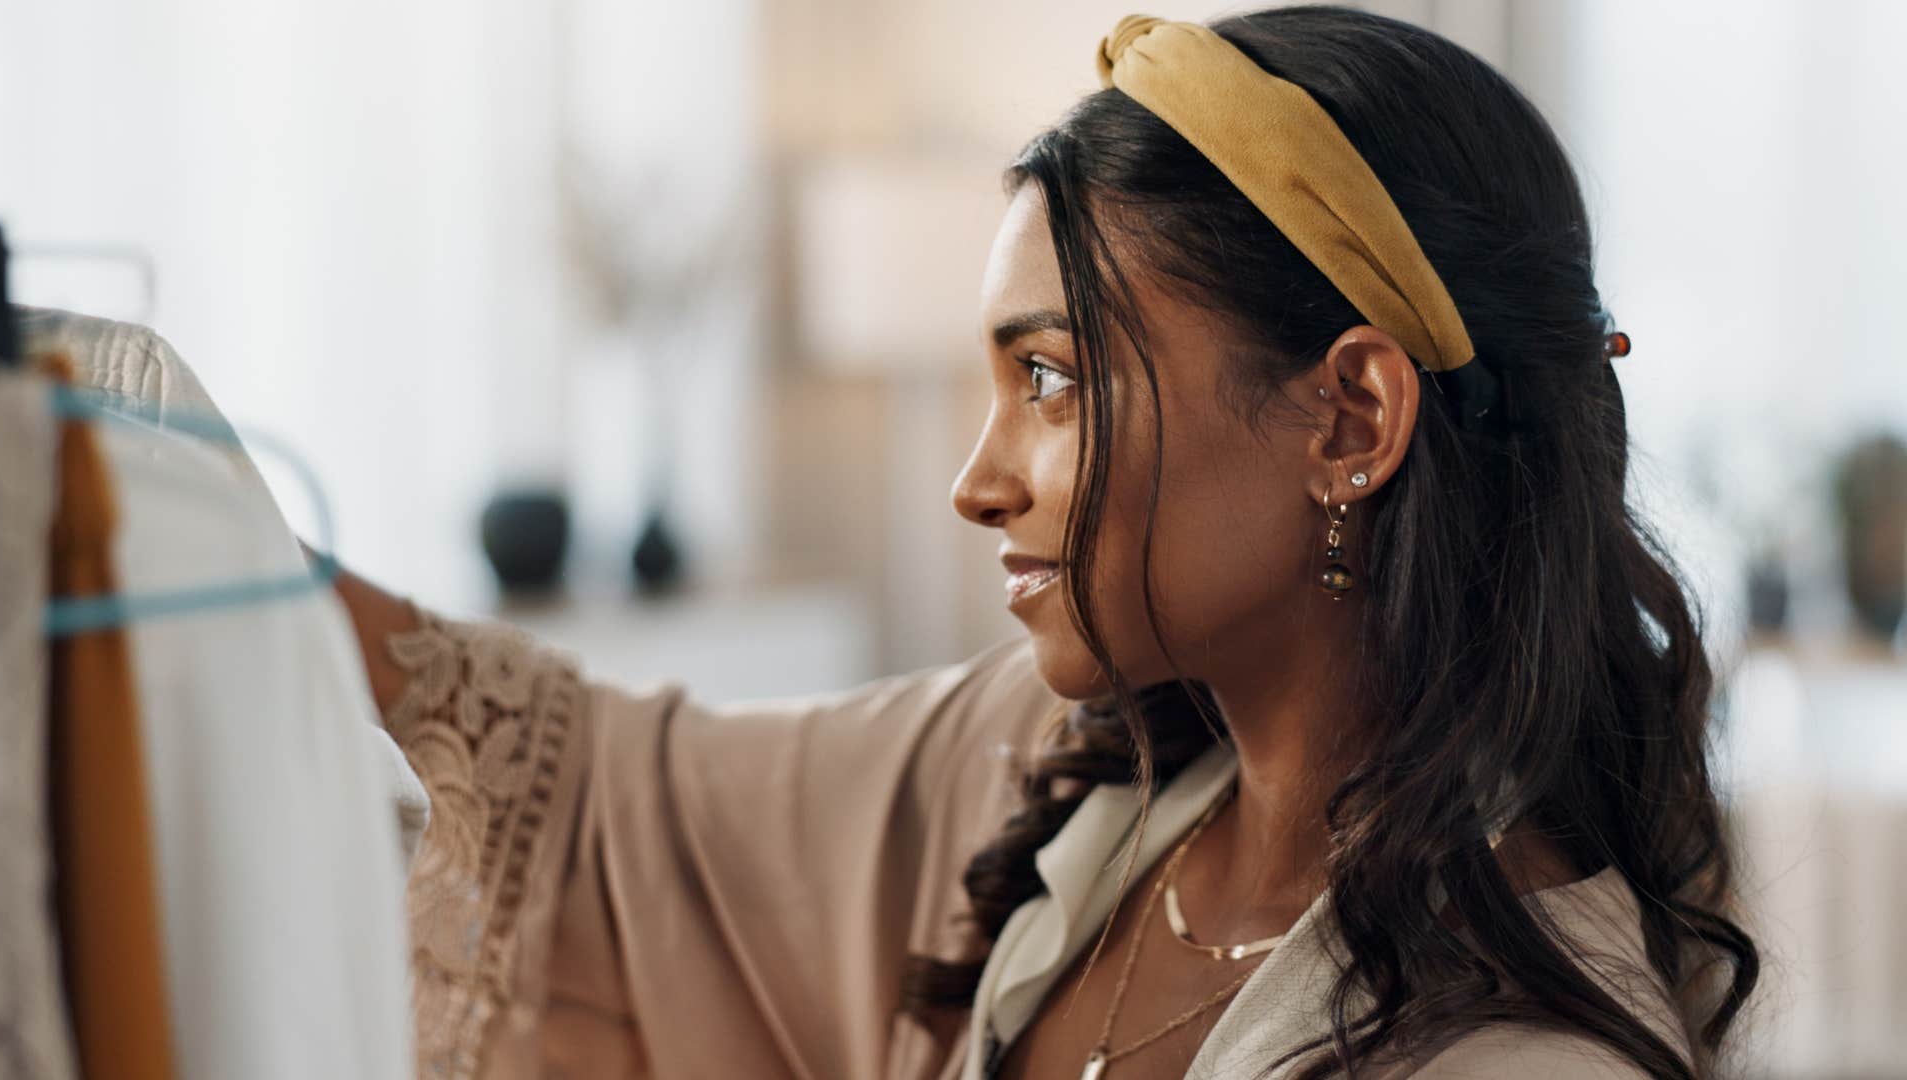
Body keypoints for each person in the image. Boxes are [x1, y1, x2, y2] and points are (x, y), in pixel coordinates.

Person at [326, 6, 1758, 1078]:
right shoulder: (1065, 777)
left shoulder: (1516, 1054)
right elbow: (607, 797)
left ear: (1352, 418)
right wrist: (206, 532)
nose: (976, 482)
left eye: (1055, 379)